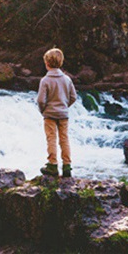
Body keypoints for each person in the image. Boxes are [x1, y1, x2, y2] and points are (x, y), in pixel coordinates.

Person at [37, 47, 77, 178]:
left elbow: (41, 100)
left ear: (47, 63)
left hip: (49, 115)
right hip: (63, 114)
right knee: (64, 139)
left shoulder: (45, 80)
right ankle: (67, 166)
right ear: (61, 62)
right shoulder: (67, 79)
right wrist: (65, 106)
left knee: (51, 139)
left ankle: (52, 165)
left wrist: (43, 110)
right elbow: (73, 97)